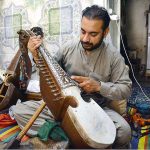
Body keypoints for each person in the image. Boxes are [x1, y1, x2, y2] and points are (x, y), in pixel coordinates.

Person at [10, 5, 132, 148]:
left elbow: (126, 89)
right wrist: (36, 55)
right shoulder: (68, 48)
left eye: (93, 34)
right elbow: (49, 71)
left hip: (96, 110)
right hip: (62, 107)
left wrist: (99, 86)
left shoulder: (114, 57)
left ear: (105, 32)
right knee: (19, 111)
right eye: (83, 31)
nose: (85, 38)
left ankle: (63, 136)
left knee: (124, 132)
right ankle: (76, 136)